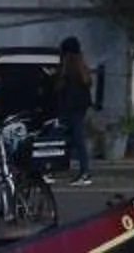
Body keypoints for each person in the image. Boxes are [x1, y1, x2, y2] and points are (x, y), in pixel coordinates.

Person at [53, 37, 97, 186]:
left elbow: (60, 87)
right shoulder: (81, 67)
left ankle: (83, 172)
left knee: (68, 138)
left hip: (72, 109)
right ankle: (80, 170)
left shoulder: (70, 67)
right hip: (77, 108)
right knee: (74, 140)